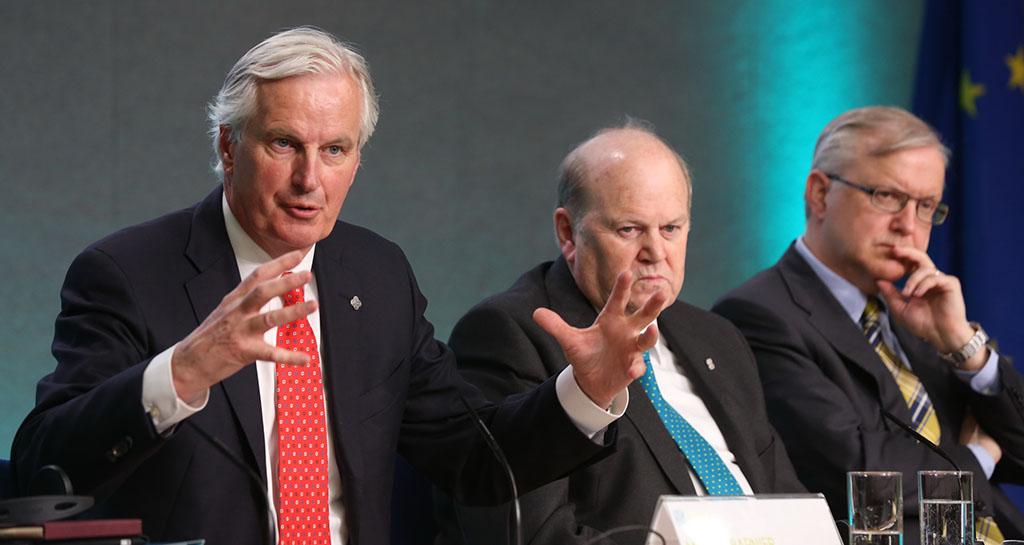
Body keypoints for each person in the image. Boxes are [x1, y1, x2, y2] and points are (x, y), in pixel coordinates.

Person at [10, 27, 665, 545]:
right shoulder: (127, 273)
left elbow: (474, 456)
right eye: (284, 144)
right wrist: (181, 371)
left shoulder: (377, 277)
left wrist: (588, 390)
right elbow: (46, 463)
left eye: (335, 150)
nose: (310, 180)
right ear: (229, 146)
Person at [435, 124, 805, 545]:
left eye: (671, 228)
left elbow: (787, 503)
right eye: (629, 230)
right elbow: (530, 533)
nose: (656, 252)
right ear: (568, 233)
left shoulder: (717, 337)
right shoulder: (511, 334)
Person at [713, 106, 1024, 545]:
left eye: (925, 206)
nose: (908, 226)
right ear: (820, 194)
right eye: (888, 196)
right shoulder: (757, 316)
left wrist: (965, 347)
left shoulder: (923, 314)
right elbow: (861, 473)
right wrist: (981, 454)